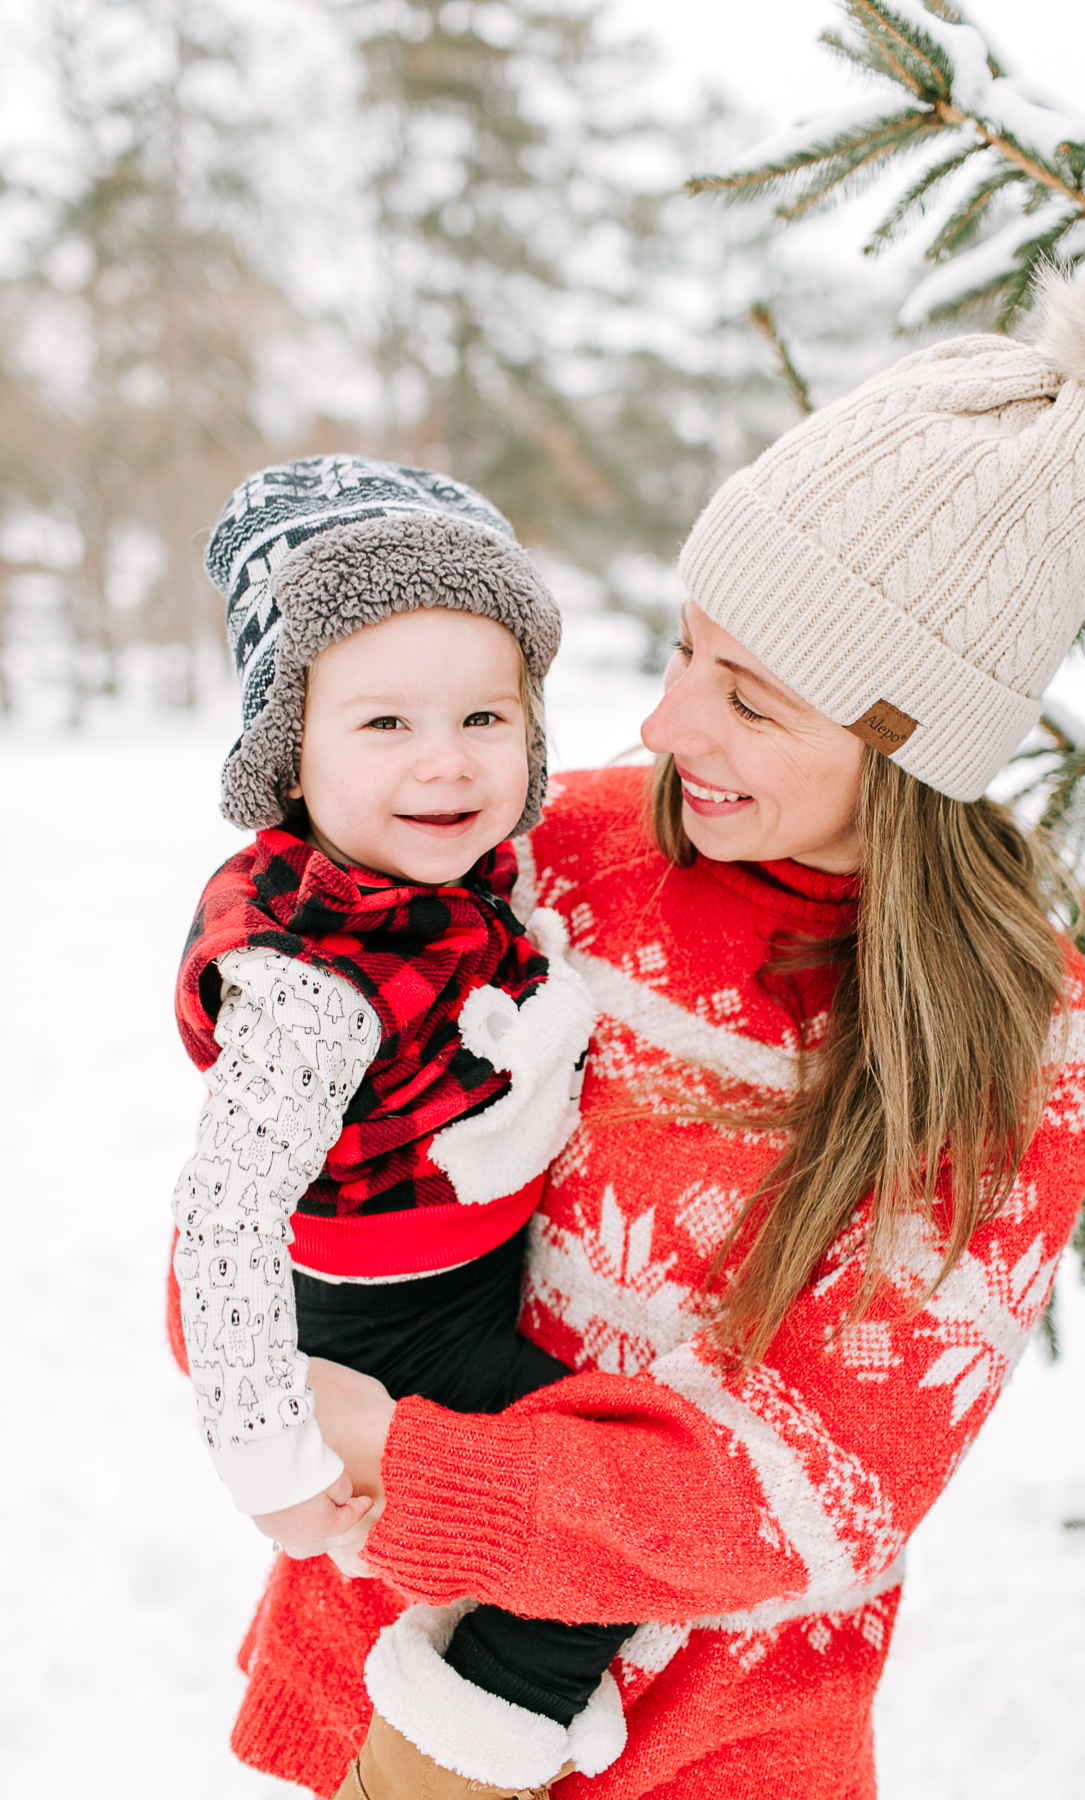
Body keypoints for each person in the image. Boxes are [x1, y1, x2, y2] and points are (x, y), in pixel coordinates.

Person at [170, 237, 1085, 1799]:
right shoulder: (552, 851)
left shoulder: (1028, 1048)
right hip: (373, 1675)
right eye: (682, 651)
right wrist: (260, 1357)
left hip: (706, 1757)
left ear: (908, 744)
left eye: (750, 697)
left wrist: (398, 1449)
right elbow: (284, 1170)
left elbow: (822, 1492)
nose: (662, 724)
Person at [170, 456, 635, 1780]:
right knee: (596, 1523)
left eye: (486, 718)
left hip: (468, 1275)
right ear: (291, 757)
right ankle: (460, 1748)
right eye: (384, 727)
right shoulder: (312, 978)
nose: (446, 762)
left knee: (583, 1491)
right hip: (379, 1323)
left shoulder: (461, 873)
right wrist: (269, 1445)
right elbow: (225, 1209)